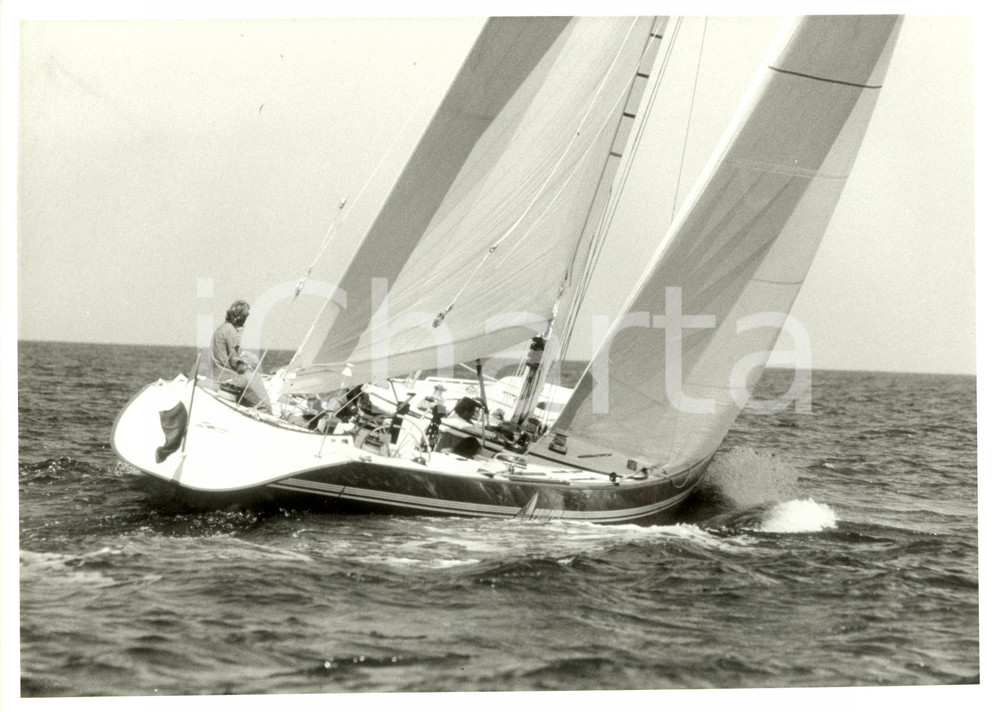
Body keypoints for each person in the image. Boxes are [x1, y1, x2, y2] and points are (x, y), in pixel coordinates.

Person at [212, 300, 249, 380]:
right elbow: (234, 362)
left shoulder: (222, 327)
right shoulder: (231, 331)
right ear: (240, 317)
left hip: (216, 373)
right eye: (245, 317)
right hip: (226, 376)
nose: (246, 320)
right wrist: (249, 369)